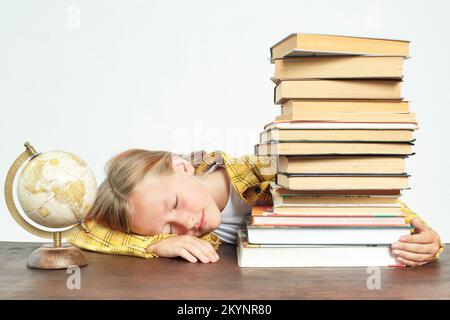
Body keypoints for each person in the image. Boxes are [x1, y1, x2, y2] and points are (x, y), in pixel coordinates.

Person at [68, 149, 445, 267]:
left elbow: (356, 199)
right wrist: (151, 244)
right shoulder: (163, 226)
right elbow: (78, 230)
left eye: (176, 204)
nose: (186, 224)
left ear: (182, 166)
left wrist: (426, 235)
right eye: (168, 228)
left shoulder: (264, 174)